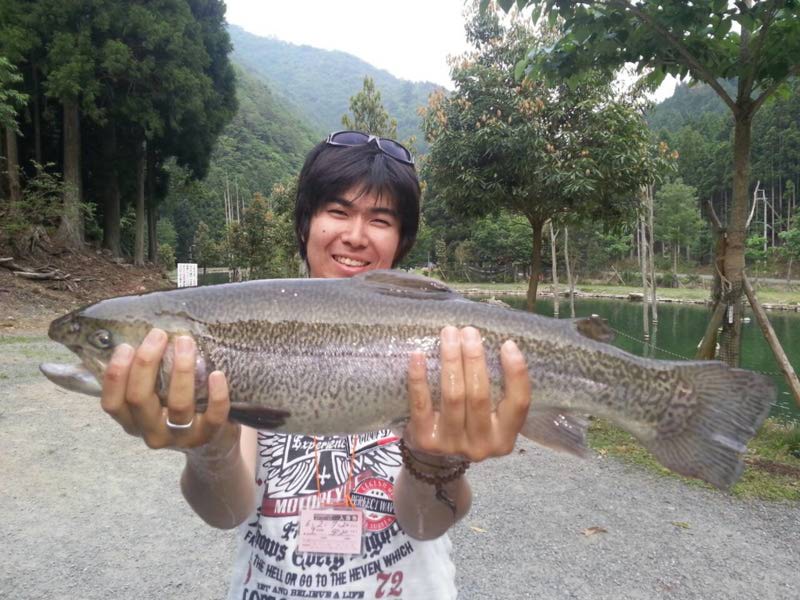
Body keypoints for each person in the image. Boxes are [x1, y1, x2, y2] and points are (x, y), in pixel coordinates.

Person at [100, 131, 532, 600]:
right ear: (306, 222)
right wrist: (209, 449)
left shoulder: (441, 346)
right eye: (338, 211)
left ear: (402, 240)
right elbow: (226, 513)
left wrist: (438, 462)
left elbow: (424, 525)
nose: (355, 235)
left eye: (380, 220)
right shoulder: (247, 326)